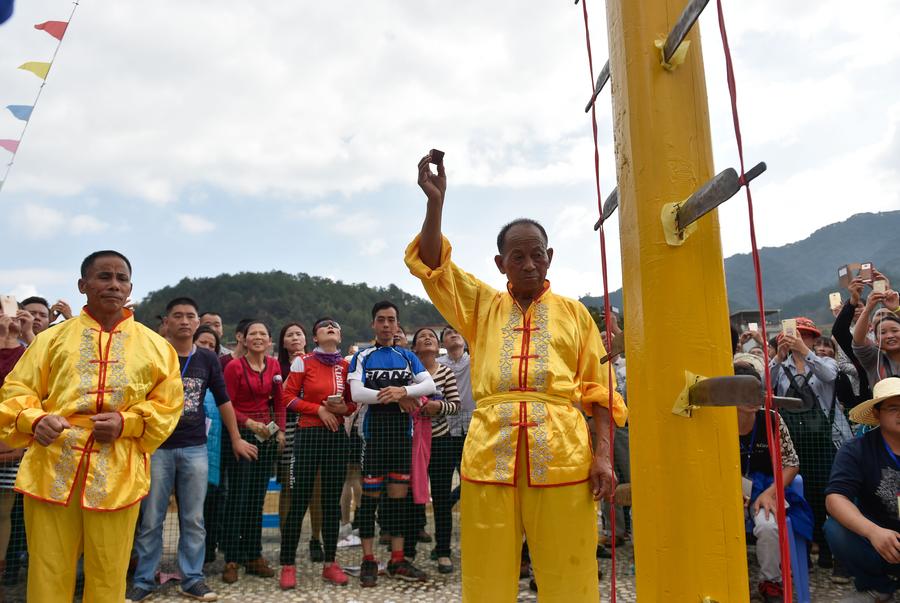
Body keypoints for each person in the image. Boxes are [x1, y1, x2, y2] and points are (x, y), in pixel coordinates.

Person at [406, 153, 626, 602]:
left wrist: (603, 456)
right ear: (500, 262)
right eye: (517, 256)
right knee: (486, 569)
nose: (529, 264)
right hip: (491, 454)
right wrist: (435, 203)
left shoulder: (575, 314)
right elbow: (433, 265)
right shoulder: (481, 306)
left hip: (563, 456)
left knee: (570, 565)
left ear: (550, 258)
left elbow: (600, 391)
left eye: (537, 255)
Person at [0, 250, 184, 601]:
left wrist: (126, 422)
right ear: (82, 285)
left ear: (130, 288)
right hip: (52, 468)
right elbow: (16, 391)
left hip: (118, 473)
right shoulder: (50, 340)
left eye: (121, 278)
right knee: (48, 569)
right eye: (104, 276)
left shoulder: (157, 347)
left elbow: (169, 405)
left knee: (109, 572)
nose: (114, 285)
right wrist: (34, 420)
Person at [129, 298, 257, 603]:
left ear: (198, 322)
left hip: (194, 447)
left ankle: (193, 578)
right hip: (157, 447)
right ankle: (144, 580)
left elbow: (223, 400)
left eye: (190, 316)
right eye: (178, 316)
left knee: (193, 518)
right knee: (151, 518)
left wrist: (236, 438)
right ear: (167, 322)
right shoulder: (155, 353)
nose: (184, 321)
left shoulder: (207, 359)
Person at [348, 301, 436, 586]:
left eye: (391, 320)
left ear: (397, 324)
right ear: (373, 324)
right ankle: (369, 559)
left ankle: (397, 559)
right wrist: (399, 396)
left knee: (398, 501)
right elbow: (357, 393)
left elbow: (429, 385)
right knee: (369, 501)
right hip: (373, 437)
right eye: (381, 319)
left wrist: (404, 390)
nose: (386, 325)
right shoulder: (362, 356)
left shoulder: (407, 356)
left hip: (401, 438)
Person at [770, 316, 853, 573]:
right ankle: (803, 552)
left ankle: (830, 552)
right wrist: (778, 357)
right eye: (794, 334)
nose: (799, 338)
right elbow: (765, 388)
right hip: (794, 443)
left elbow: (828, 375)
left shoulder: (825, 362)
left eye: (805, 335)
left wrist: (804, 353)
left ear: (814, 340)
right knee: (798, 497)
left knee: (826, 495)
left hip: (825, 441)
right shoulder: (780, 366)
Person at [279, 318, 356, 588]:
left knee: (331, 502)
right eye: (324, 326)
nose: (330, 327)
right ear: (315, 338)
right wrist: (319, 410)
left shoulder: (346, 366)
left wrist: (342, 409)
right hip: (308, 435)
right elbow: (286, 397)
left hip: (336, 437)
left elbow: (352, 403)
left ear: (340, 336)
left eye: (335, 326)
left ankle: (330, 563)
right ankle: (288, 565)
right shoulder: (303, 362)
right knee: (299, 499)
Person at [733, 363, 812, 602]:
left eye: (756, 391)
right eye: (743, 392)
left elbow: (791, 463)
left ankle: (771, 581)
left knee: (768, 525)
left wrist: (770, 492)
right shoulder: (717, 421)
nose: (752, 398)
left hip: (766, 486)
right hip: (727, 486)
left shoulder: (772, 419)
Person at [221, 320, 285, 583]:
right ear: (244, 339)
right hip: (242, 436)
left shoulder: (275, 366)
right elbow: (226, 403)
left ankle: (254, 555)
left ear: (269, 341)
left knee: (257, 499)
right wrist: (247, 423)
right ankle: (231, 558)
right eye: (253, 333)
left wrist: (280, 430)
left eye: (263, 334)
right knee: (238, 497)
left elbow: (279, 401)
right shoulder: (234, 367)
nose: (258, 337)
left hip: (266, 436)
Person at [825, 377, 900, 602]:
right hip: (878, 537)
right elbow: (835, 497)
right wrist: (873, 532)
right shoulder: (856, 449)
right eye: (893, 408)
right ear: (876, 414)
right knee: (835, 528)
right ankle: (878, 587)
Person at [411, 327, 460, 573]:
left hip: (441, 441)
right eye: (422, 337)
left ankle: (443, 552)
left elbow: (456, 405)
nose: (427, 338)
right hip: (412, 443)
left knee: (441, 499)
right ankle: (407, 550)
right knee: (411, 498)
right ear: (414, 348)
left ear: (437, 346)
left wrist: (438, 407)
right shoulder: (408, 372)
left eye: (431, 336)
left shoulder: (446, 372)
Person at [275, 322, 324, 562]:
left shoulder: (318, 362)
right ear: (283, 342)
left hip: (314, 428)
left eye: (298, 334)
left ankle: (316, 539)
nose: (295, 338)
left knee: (316, 488)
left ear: (307, 339)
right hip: (289, 430)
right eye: (289, 335)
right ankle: (287, 540)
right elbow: (278, 398)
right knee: (288, 487)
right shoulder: (277, 367)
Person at [193, 325, 228, 564]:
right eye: (202, 343)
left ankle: (207, 552)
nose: (206, 348)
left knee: (214, 504)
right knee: (192, 508)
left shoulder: (218, 379)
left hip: (216, 453)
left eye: (211, 346)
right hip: (190, 450)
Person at [0, 310, 25, 600]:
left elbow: (18, 387)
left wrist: (10, 340)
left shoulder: (22, 353)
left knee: (3, 514)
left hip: (9, 440)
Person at [436, 325, 473, 508]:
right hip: (447, 429)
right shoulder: (438, 364)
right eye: (448, 333)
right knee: (445, 477)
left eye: (457, 331)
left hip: (472, 428)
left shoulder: (475, 360)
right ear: (443, 343)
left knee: (472, 475)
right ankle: (444, 507)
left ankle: (449, 502)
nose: (453, 335)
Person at [852, 285, 900, 387]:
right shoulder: (874, 360)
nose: (890, 336)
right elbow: (858, 341)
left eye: (895, 330)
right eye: (883, 332)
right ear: (876, 341)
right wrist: (868, 308)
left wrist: (896, 309)